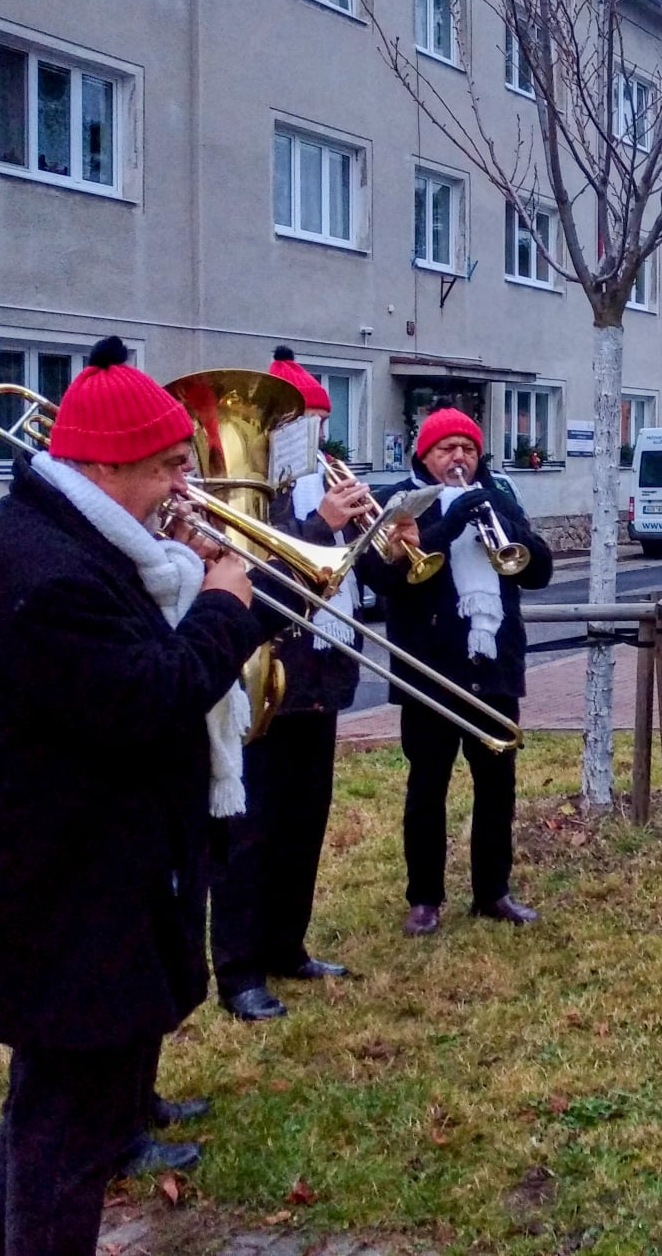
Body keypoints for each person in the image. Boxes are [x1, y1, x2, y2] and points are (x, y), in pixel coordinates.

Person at [0, 337, 272, 1256]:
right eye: (169, 466)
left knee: (45, 1119)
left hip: (75, 890)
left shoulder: (74, 540)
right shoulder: (45, 569)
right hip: (62, 902)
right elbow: (148, 698)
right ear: (104, 464)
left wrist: (225, 595)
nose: (184, 487)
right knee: (66, 1145)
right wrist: (224, 606)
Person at [207, 348, 374, 1022]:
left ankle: (286, 944)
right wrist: (323, 525)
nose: (315, 438)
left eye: (320, 422)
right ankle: (239, 969)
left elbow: (366, 583)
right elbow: (259, 576)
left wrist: (386, 536)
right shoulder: (250, 494)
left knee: (306, 823)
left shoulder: (326, 488)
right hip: (263, 683)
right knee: (251, 833)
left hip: (321, 681)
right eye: (302, 422)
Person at [359, 406, 553, 937]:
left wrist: (503, 520)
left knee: (498, 787)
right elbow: (381, 575)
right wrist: (446, 523)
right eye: (448, 449)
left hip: (492, 666)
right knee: (428, 788)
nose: (460, 458)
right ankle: (424, 899)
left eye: (468, 448)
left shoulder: (499, 495)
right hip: (430, 669)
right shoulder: (402, 503)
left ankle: (494, 891)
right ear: (425, 455)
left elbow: (539, 570)